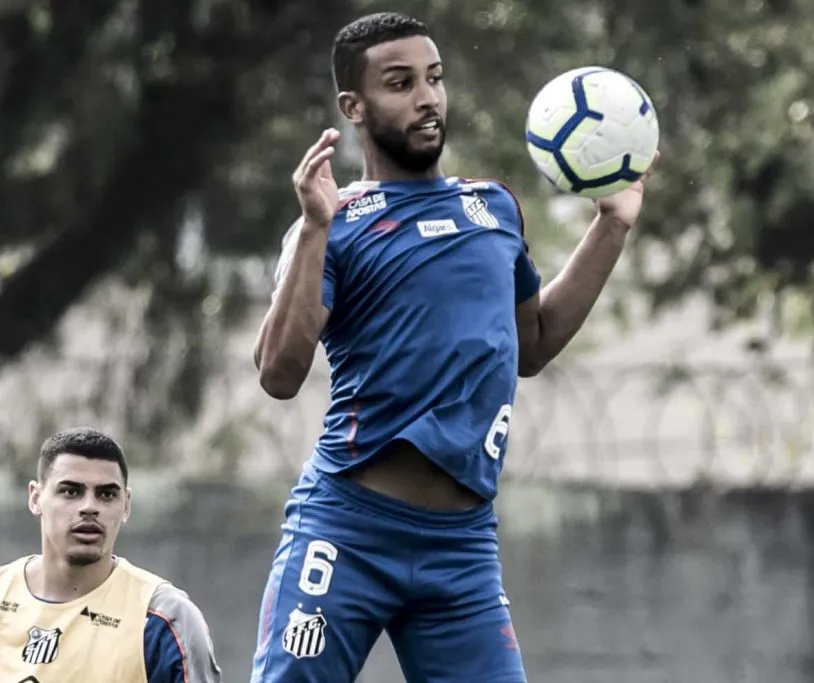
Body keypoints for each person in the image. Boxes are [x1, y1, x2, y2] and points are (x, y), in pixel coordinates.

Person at [251, 11, 656, 683]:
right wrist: (315, 227)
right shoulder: (336, 224)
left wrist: (612, 225)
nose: (427, 98)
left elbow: (534, 344)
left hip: (461, 549)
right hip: (347, 533)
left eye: (434, 79)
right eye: (401, 83)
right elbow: (277, 373)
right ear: (354, 106)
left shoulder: (493, 208)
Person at [0, 427, 222, 683]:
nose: (89, 507)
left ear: (126, 505)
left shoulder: (163, 620)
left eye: (107, 494)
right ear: (36, 498)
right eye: (70, 491)